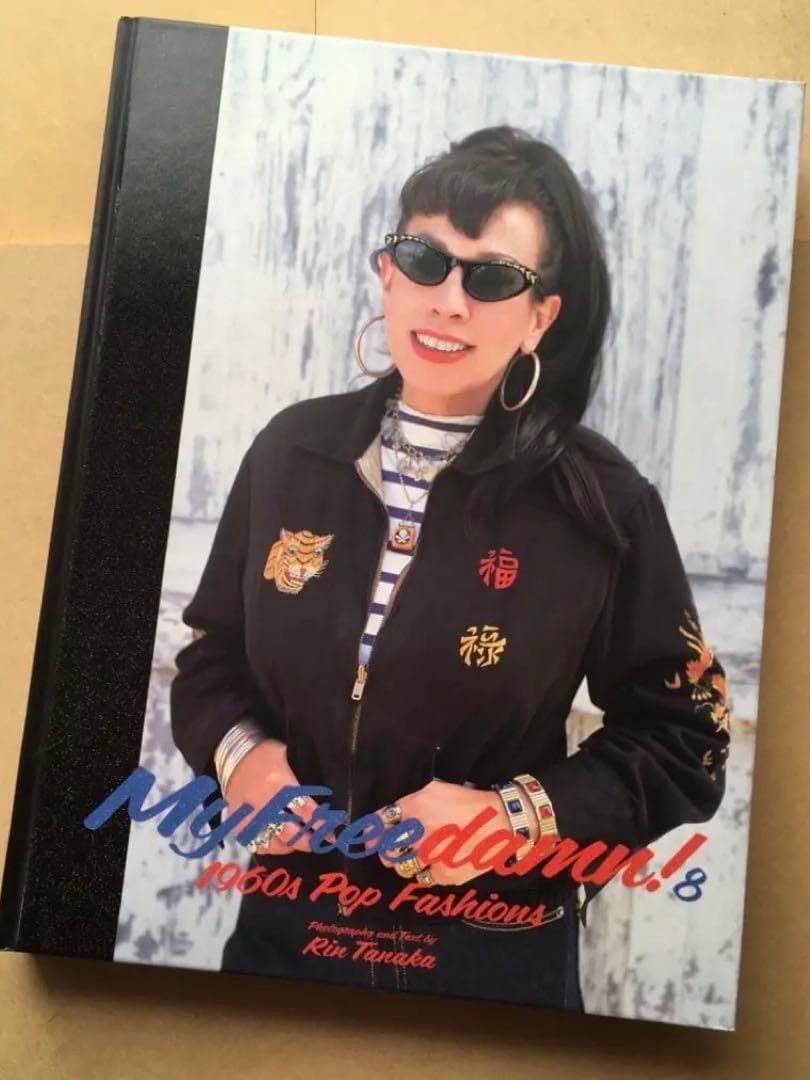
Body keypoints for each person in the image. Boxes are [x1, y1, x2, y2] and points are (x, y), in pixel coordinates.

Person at [170, 125, 730, 1010]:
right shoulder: (291, 454)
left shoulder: (602, 503)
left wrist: (508, 821)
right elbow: (211, 657)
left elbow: (684, 736)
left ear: (541, 315)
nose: (450, 302)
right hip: (287, 932)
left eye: (493, 278)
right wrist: (243, 759)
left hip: (492, 959)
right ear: (387, 273)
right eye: (426, 262)